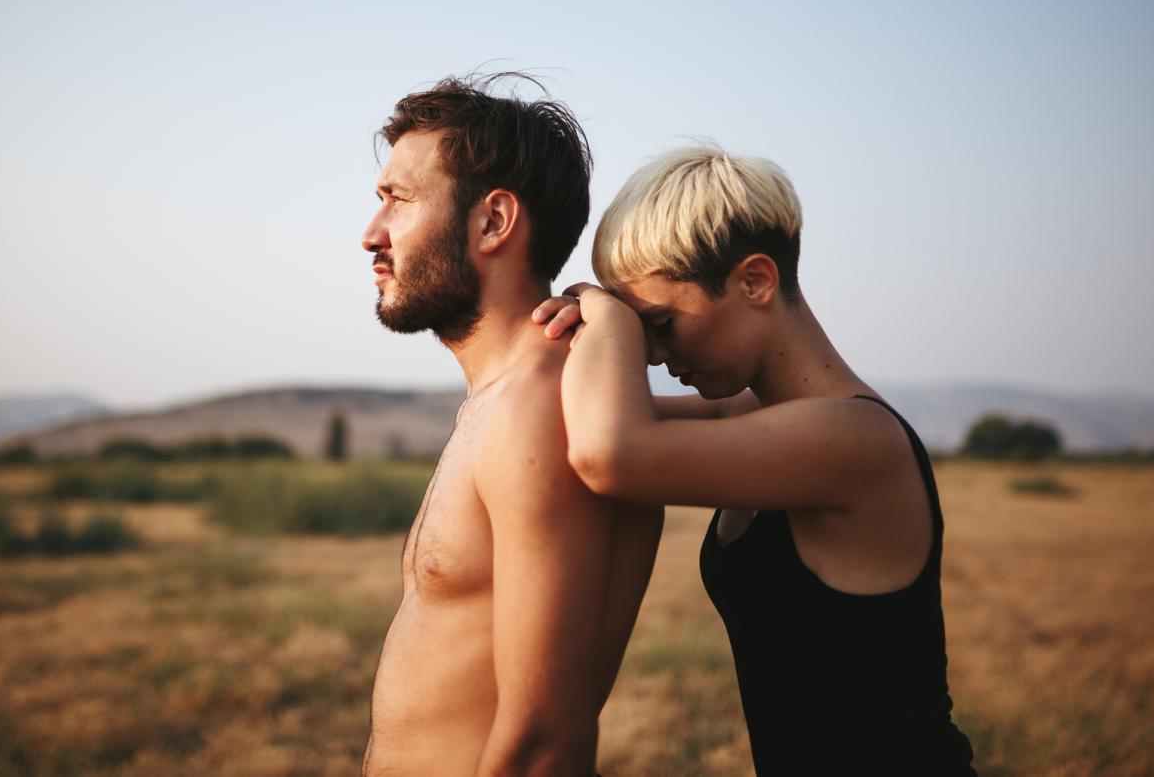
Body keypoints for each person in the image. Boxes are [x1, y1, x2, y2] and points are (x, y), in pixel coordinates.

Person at [533, 144, 976, 776]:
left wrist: (604, 316)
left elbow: (613, 451)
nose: (652, 355)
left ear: (755, 281)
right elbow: (571, 424)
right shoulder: (749, 416)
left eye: (659, 324)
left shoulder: (858, 440)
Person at [360, 75, 663, 776]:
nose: (371, 233)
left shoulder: (538, 405)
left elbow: (545, 742)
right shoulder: (507, 397)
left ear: (493, 221)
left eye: (398, 199)